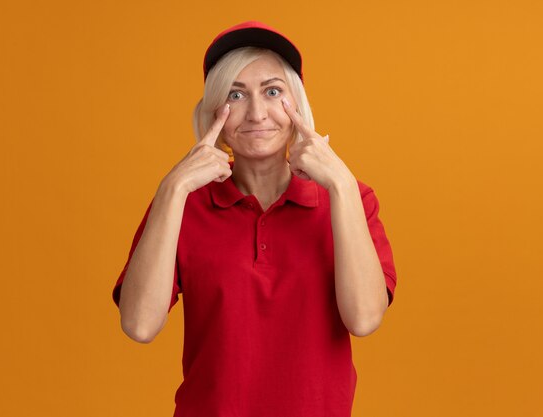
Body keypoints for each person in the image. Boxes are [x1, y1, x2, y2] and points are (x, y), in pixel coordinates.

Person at [112, 21, 398, 417]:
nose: (257, 113)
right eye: (236, 94)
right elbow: (139, 326)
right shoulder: (184, 204)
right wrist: (172, 189)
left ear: (295, 105)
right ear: (217, 111)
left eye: (273, 91)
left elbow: (365, 318)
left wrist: (342, 186)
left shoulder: (350, 198)